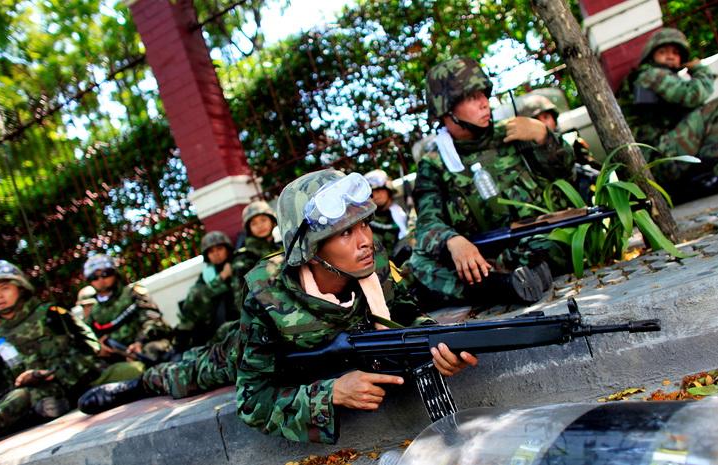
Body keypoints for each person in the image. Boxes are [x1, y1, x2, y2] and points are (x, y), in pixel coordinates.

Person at [78, 170, 474, 445]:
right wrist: (331, 393)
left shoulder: (372, 263)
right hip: (251, 351)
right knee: (189, 371)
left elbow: (405, 313)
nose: (364, 240)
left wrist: (435, 347)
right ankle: (136, 382)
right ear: (310, 249)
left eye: (365, 225)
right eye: (345, 232)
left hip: (336, 347)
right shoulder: (267, 294)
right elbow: (253, 402)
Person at [408, 57, 575, 308]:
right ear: (447, 108)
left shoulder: (514, 132)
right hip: (481, 254)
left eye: (483, 94)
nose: (484, 103)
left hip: (536, 240)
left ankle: (502, 283)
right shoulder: (435, 163)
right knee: (420, 266)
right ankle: (504, 286)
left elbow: (567, 172)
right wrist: (453, 241)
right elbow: (427, 222)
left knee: (551, 243)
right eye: (472, 97)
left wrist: (543, 136)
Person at [0, 260, 101, 447]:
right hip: (26, 400)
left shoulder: (50, 314)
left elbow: (91, 348)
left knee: (20, 397)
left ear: (20, 288)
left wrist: (50, 374)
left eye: (4, 288)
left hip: (71, 386)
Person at [618, 27, 718, 201]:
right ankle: (707, 175)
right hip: (657, 161)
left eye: (675, 52)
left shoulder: (658, 78)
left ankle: (705, 175)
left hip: (660, 160)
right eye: (663, 51)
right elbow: (694, 95)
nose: (670, 56)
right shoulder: (650, 75)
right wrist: (700, 70)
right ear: (651, 55)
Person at [82, 254, 172, 363]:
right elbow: (87, 336)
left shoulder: (132, 293)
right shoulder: (94, 311)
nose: (101, 280)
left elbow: (152, 319)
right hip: (118, 355)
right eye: (94, 277)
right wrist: (99, 346)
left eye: (106, 274)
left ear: (114, 273)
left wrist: (139, 342)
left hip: (146, 345)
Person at [519, 93, 600, 199]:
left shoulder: (573, 142)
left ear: (554, 119)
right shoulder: (525, 154)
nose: (542, 123)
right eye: (536, 120)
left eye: (546, 117)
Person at [174, 231, 236, 352]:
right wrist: (222, 277)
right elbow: (198, 296)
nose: (216, 254)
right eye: (211, 251)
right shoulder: (207, 274)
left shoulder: (238, 264)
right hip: (214, 327)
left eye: (219, 248)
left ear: (227, 249)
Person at [230, 200, 281, 310]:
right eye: (254, 223)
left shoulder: (280, 247)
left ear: (272, 221)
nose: (260, 226)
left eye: (263, 220)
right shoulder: (244, 258)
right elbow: (241, 298)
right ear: (249, 228)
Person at [363, 169, 411, 264]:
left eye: (379, 190)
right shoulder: (368, 221)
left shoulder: (401, 210)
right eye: (372, 193)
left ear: (388, 189)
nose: (376, 195)